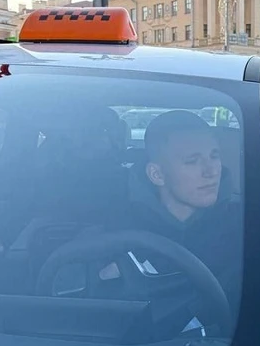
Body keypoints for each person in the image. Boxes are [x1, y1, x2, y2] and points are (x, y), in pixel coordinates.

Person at [101, 109, 242, 331]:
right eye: (192, 161)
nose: (211, 171)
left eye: (214, 156)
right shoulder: (115, 232)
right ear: (157, 174)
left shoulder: (250, 229)